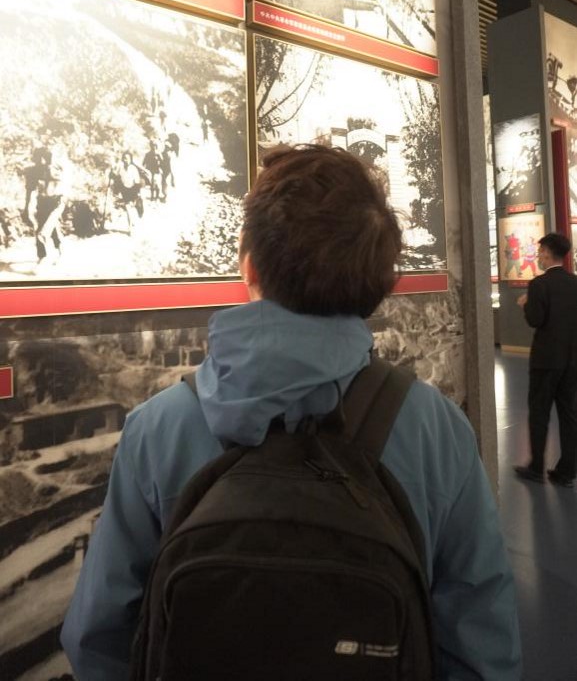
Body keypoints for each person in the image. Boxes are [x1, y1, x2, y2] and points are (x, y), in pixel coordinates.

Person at [61, 144, 521, 680]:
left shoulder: (158, 428)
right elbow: (481, 642)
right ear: (379, 285)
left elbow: (98, 635)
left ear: (248, 264)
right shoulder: (436, 430)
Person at [514, 232, 577, 487]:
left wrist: (525, 304)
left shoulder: (539, 284)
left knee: (539, 412)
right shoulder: (574, 282)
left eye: (540, 252)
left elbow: (535, 319)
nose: (539, 256)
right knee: (569, 414)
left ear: (549, 253)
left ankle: (536, 467)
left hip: (545, 360)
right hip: (571, 359)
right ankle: (567, 471)